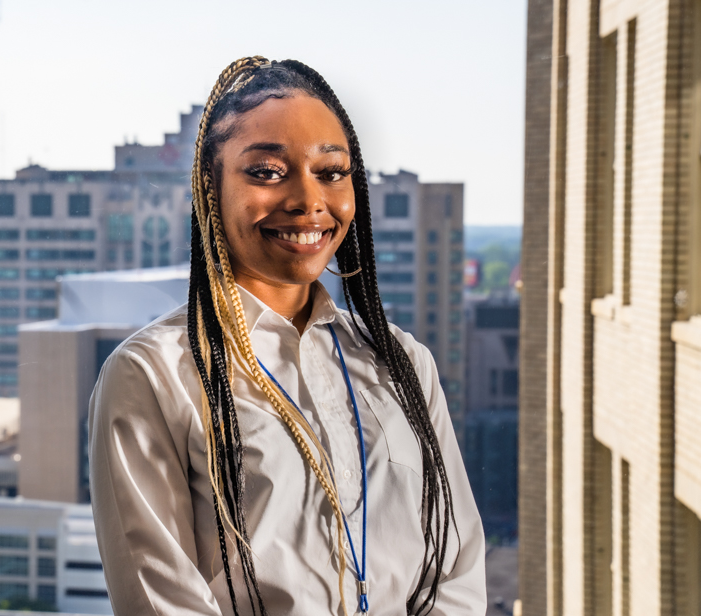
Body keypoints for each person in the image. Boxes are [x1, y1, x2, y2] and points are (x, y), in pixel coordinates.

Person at [87, 57, 486, 616]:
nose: (307, 199)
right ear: (209, 190)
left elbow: (457, 573)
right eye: (267, 173)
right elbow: (162, 603)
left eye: (331, 171)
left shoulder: (402, 361)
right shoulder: (153, 374)